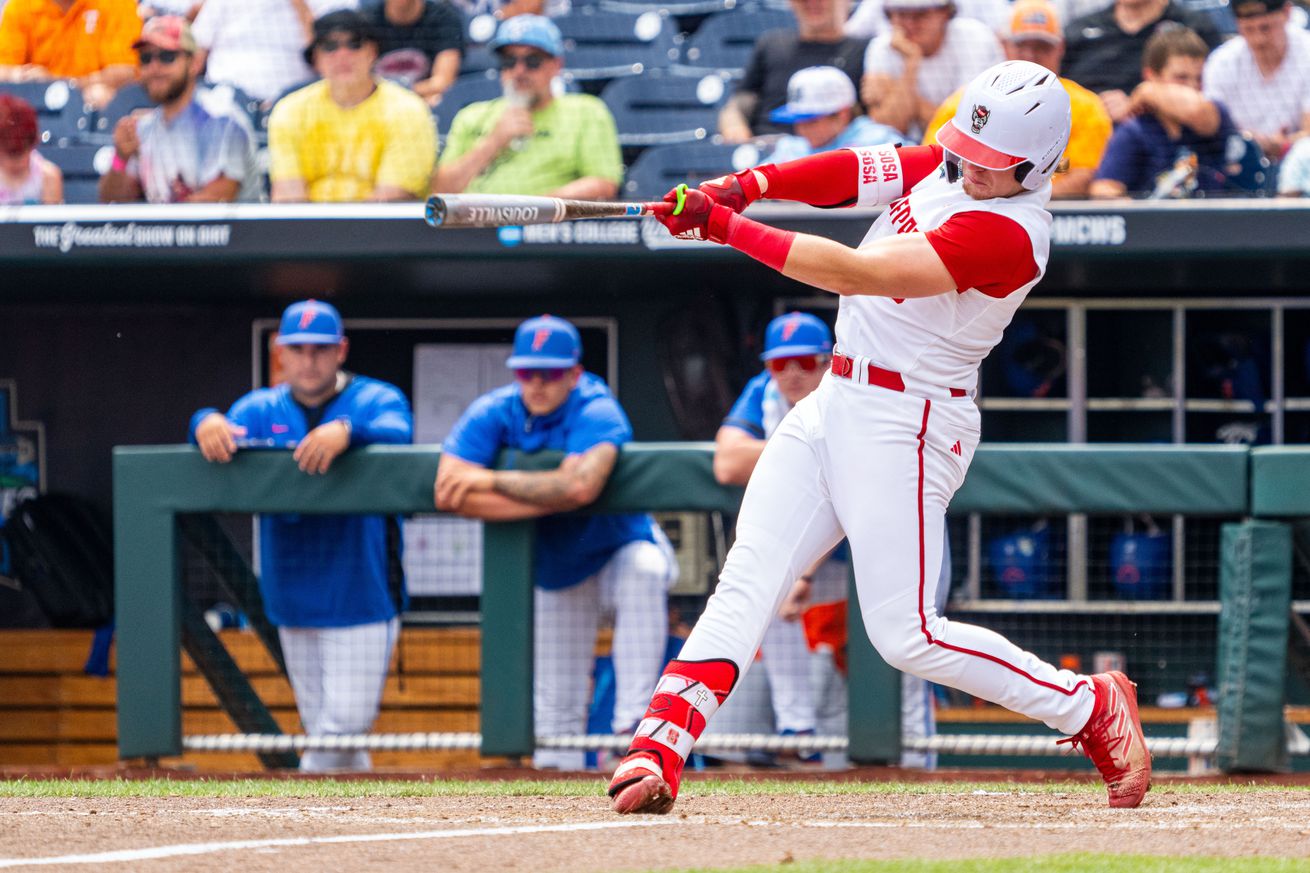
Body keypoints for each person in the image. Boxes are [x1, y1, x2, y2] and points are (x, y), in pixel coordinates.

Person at [606, 60, 1151, 815]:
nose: (967, 166)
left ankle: (1089, 706)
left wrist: (724, 226)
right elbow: (859, 171)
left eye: (992, 165)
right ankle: (659, 745)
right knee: (750, 574)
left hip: (911, 423)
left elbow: (858, 271)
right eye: (965, 149)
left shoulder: (1012, 233)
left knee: (906, 634)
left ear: (1038, 167)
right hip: (837, 396)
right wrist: (746, 184)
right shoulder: (960, 161)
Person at [434, 314, 678, 770]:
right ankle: (560, 795)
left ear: (574, 372)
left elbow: (581, 488)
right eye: (528, 372)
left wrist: (487, 479)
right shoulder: (495, 409)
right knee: (556, 721)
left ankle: (633, 733)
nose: (538, 383)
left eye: (550, 373)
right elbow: (448, 488)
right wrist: (553, 494)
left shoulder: (597, 407)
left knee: (645, 568)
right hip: (559, 569)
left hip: (615, 553)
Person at [714, 311, 950, 769]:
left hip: (896, 534)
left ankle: (921, 764)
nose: (792, 374)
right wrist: (806, 449)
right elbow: (726, 462)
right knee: (769, 596)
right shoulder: (762, 394)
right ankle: (797, 728)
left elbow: (849, 486)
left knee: (911, 645)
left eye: (804, 361)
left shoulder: (853, 394)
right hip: (828, 547)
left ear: (828, 361)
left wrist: (803, 572)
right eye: (779, 364)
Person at [189, 299, 414, 772]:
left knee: (344, 725)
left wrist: (348, 431)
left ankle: (306, 796)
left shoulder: (374, 398)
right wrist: (204, 421)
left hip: (362, 597)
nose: (309, 359)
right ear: (280, 352)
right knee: (331, 734)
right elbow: (217, 429)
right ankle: (343, 833)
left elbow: (399, 429)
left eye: (320, 349)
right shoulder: (259, 407)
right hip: (292, 596)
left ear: (341, 351)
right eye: (299, 349)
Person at [923, 0, 1111, 198]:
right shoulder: (968, 98)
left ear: (1060, 48)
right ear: (1004, 45)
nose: (1030, 55)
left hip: (1055, 212)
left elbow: (1083, 174)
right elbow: (936, 164)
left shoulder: (1086, 106)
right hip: (969, 204)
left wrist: (1020, 200)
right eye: (1022, 45)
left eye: (1042, 46)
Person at [432, 15, 620, 199]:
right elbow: (440, 191)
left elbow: (603, 183)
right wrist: (493, 142)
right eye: (509, 61)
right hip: (474, 225)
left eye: (532, 61)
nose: (519, 71)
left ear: (556, 65)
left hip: (548, 226)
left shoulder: (585, 112)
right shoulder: (472, 115)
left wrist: (532, 212)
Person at [268, 9, 437, 202]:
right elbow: (289, 197)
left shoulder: (408, 110)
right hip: (305, 230)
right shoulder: (290, 111)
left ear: (373, 52)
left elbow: (391, 199)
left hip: (382, 230)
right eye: (330, 46)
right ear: (316, 58)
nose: (343, 55)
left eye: (354, 44)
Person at [99, 16, 261, 204]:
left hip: (237, 233)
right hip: (165, 232)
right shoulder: (143, 129)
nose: (154, 67)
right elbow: (112, 203)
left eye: (167, 57)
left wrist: (153, 229)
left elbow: (215, 204)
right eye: (145, 58)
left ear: (194, 63)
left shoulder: (221, 120)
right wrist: (121, 158)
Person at [1090, 25, 1238, 198]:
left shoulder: (1214, 112)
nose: (1192, 87)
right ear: (1151, 75)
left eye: (1199, 78)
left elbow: (1195, 111)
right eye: (1181, 77)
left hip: (1213, 223)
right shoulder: (1136, 130)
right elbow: (1103, 190)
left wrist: (1147, 91)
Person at [718, 0, 869, 144]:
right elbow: (742, 100)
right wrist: (734, 126)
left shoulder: (866, 52)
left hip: (830, 152)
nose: (813, 3)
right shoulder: (772, 44)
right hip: (764, 149)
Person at [861, 0, 1004, 140]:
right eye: (901, 14)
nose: (910, 24)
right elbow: (889, 126)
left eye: (920, 14)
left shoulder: (974, 37)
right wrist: (911, 63)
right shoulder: (882, 47)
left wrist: (903, 93)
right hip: (910, 148)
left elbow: (967, 128)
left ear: (945, 13)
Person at [1061, 0, 1221, 124]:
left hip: (1164, 139)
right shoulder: (1078, 31)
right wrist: (1092, 108)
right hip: (1082, 137)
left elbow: (1213, 101)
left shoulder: (1195, 28)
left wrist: (1135, 102)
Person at [1202, 0, 1310, 161]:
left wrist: (1283, 145)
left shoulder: (1306, 52)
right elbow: (1214, 129)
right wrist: (1252, 141)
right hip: (1240, 164)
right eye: (1249, 29)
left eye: (1266, 28)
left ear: (1287, 12)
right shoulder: (1221, 62)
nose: (1259, 39)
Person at [192, 0, 357, 105]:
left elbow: (331, 54)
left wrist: (299, 5)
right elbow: (195, 54)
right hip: (229, 102)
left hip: (297, 102)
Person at [0, 0, 140, 108]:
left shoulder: (117, 3)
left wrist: (60, 83)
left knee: (100, 93)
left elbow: (125, 71)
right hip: (35, 100)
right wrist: (22, 75)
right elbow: (3, 68)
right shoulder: (21, 6)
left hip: (88, 100)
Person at [765, 66, 904, 164]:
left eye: (811, 121)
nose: (801, 129)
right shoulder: (791, 147)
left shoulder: (878, 141)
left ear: (843, 114)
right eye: (797, 120)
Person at [366, 0, 464, 106]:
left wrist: (403, 95)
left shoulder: (444, 18)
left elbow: (443, 81)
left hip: (427, 104)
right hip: (378, 105)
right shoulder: (366, 21)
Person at [0, 93, 61, 205]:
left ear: (34, 143)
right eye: (11, 155)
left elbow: (50, 222)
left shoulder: (47, 177)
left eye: (21, 154)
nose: (17, 163)